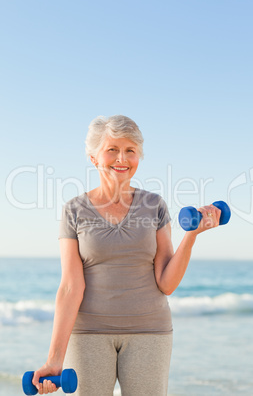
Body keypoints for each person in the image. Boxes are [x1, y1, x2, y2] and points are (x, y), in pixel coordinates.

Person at [32, 115, 221, 395]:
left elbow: (166, 283)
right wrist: (54, 359)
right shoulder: (74, 210)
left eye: (130, 150)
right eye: (112, 149)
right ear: (94, 157)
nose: (122, 158)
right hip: (88, 335)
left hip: (150, 332)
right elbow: (71, 287)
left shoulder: (155, 205)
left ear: (138, 158)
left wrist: (191, 235)